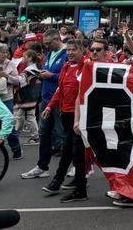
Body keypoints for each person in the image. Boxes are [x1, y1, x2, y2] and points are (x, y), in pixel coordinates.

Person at [41, 40, 91, 202]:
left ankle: (70, 185)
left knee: (74, 152)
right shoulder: (66, 66)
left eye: (73, 50)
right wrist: (49, 107)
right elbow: (60, 89)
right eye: (68, 50)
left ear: (81, 50)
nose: (69, 53)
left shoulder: (86, 67)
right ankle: (64, 183)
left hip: (78, 115)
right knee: (69, 150)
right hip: (65, 113)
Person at [22, 30, 67, 180]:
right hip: (47, 98)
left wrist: (51, 76)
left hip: (60, 99)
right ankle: (42, 166)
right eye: (45, 44)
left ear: (56, 39)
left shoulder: (67, 53)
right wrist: (42, 74)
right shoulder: (49, 54)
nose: (47, 46)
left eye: (49, 43)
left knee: (63, 134)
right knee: (44, 133)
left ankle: (76, 165)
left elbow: (70, 76)